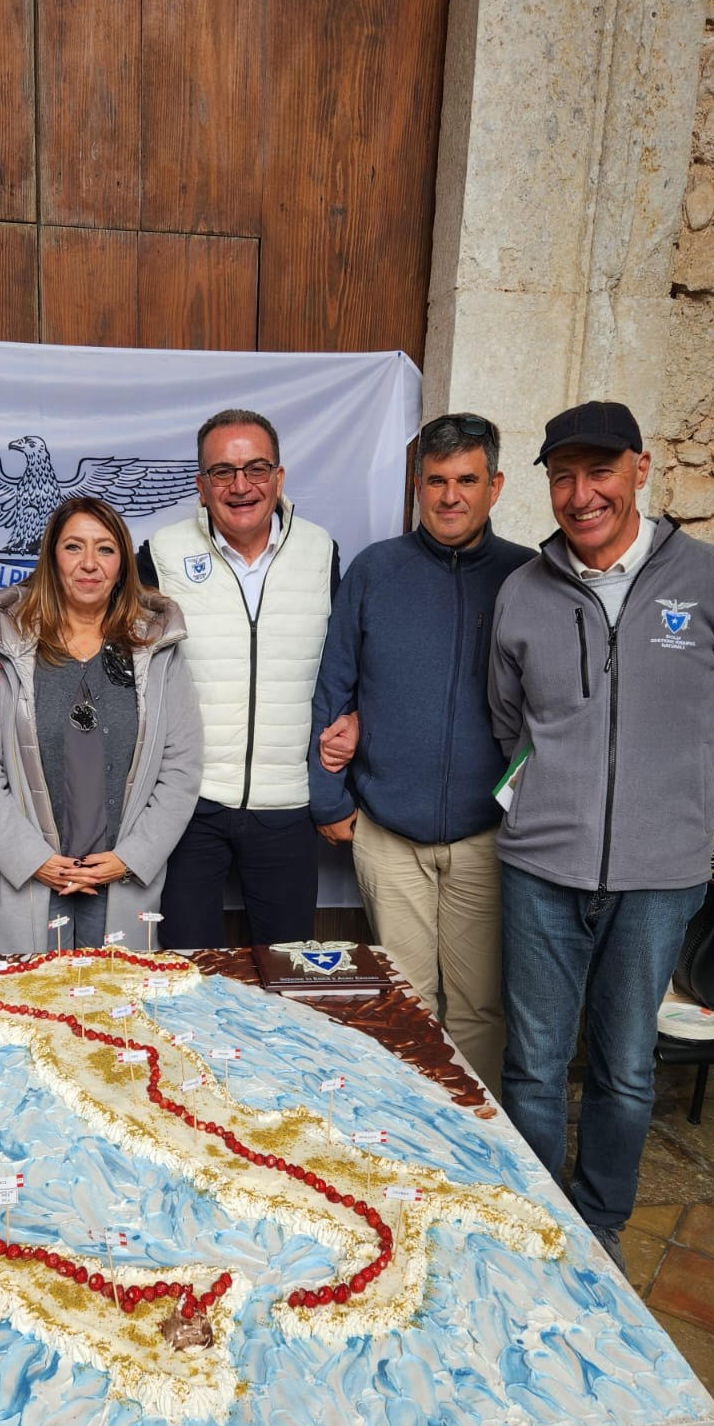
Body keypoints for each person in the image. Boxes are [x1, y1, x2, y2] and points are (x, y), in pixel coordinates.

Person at [489, 399, 714, 1270]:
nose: (582, 495)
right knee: (534, 1063)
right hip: (541, 869)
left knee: (626, 1065)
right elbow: (509, 723)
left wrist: (674, 806)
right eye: (563, 476)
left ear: (641, 469)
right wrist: (549, 798)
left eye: (600, 471)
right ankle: (539, 1224)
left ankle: (601, 1222)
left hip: (659, 876)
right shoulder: (522, 591)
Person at [308, 414, 532, 1096]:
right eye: (436, 480)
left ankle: (476, 1137)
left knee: (480, 1009)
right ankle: (415, 1133)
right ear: (417, 485)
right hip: (388, 833)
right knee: (406, 1004)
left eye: (467, 480)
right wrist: (329, 800)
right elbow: (334, 685)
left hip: (487, 836)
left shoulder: (527, 576)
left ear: (495, 486)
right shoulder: (376, 570)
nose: (450, 496)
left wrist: (528, 810)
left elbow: (553, 707)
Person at [0, 497, 202, 952]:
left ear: (123, 564)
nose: (89, 563)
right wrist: (34, 859)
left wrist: (130, 858)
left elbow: (181, 767)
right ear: (51, 558)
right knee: (30, 995)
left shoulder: (156, 647)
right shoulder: (7, 644)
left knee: (118, 994)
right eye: (73, 547)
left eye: (105, 549)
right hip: (33, 877)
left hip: (119, 876)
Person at [134, 408, 339, 948]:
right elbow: (79, 602)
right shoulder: (163, 552)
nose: (241, 486)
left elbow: (350, 662)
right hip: (189, 803)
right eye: (222, 472)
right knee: (189, 970)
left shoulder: (321, 551)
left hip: (286, 804)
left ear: (279, 477)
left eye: (256, 469)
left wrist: (356, 718)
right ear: (201, 486)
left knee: (287, 970)